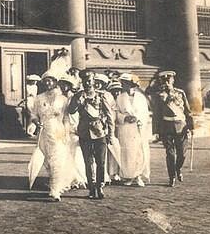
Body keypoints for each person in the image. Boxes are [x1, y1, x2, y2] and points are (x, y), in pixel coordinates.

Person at [68, 70, 115, 200]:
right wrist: (77, 101)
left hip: (100, 133)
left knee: (100, 162)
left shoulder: (101, 96)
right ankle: (91, 188)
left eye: (90, 81)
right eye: (85, 81)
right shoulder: (78, 96)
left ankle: (100, 186)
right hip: (84, 133)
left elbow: (110, 116)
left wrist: (110, 134)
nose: (88, 83)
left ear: (94, 81)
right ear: (82, 82)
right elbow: (70, 111)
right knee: (88, 162)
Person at [27, 74, 70, 201]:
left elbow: (66, 118)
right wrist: (36, 122)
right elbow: (33, 115)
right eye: (45, 81)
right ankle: (53, 183)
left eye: (50, 81)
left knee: (57, 159)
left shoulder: (63, 99)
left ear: (55, 82)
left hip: (58, 131)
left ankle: (55, 190)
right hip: (44, 132)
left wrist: (66, 133)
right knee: (47, 161)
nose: (48, 83)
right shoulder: (39, 98)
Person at [151, 70, 193, 187]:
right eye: (164, 80)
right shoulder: (159, 95)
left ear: (173, 80)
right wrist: (156, 131)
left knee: (182, 154)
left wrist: (191, 126)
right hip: (166, 127)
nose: (167, 82)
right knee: (170, 154)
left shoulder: (180, 93)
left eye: (169, 80)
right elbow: (157, 114)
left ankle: (178, 169)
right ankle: (172, 177)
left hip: (181, 126)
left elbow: (187, 110)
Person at [116, 73, 151, 187]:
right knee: (127, 152)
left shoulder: (141, 98)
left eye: (127, 84)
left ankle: (138, 175)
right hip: (126, 128)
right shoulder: (120, 97)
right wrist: (125, 117)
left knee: (139, 151)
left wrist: (138, 119)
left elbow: (145, 113)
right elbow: (116, 113)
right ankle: (128, 176)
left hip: (138, 128)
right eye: (124, 84)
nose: (125, 86)